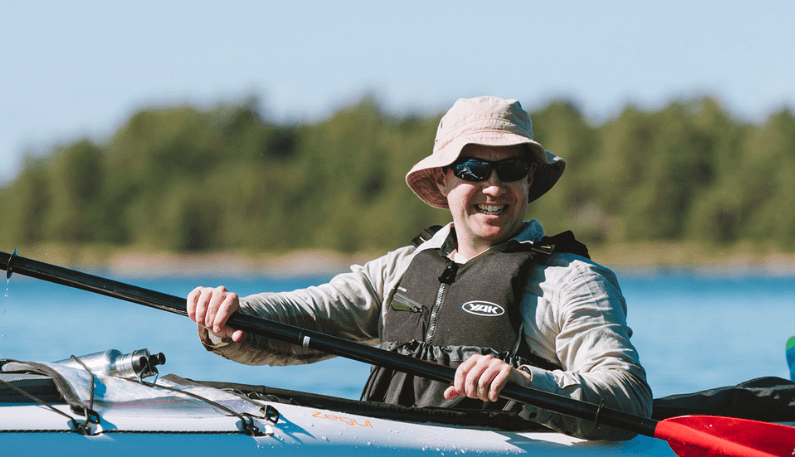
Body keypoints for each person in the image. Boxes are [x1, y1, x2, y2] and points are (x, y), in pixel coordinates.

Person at [186, 96, 651, 439]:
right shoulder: (401, 269)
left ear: (529, 178)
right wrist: (229, 314)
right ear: (443, 178)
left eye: (510, 170)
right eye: (472, 169)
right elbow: (308, 313)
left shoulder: (570, 281)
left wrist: (525, 382)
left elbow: (626, 397)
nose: (493, 187)